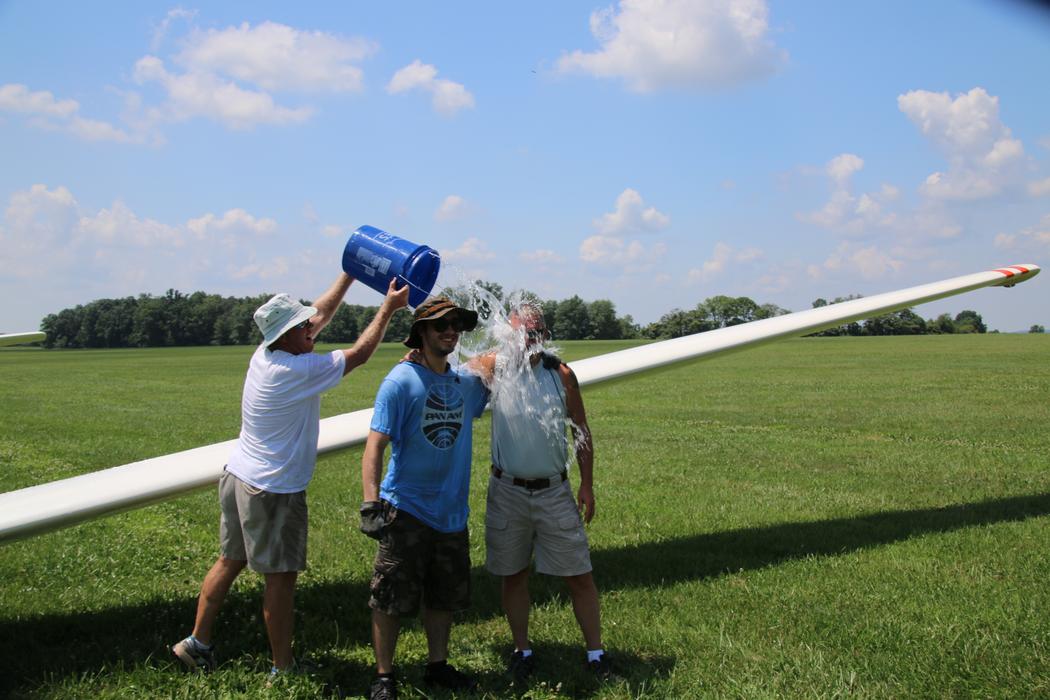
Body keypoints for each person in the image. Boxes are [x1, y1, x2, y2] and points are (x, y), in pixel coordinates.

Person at [172, 273, 409, 677]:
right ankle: (283, 669)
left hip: (238, 477)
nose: (311, 328)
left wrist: (349, 275)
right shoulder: (294, 370)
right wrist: (388, 308)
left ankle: (197, 643)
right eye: (302, 327)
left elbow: (319, 315)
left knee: (229, 561)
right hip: (272, 490)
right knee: (280, 581)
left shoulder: (266, 353)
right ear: (285, 336)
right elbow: (359, 355)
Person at [359, 297, 489, 700]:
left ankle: (437, 666)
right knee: (390, 598)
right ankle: (384, 676)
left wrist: (523, 339)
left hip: (451, 513)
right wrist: (371, 503)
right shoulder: (400, 381)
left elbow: (497, 362)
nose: (451, 331)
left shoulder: (465, 384)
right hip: (407, 510)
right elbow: (375, 445)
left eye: (456, 325)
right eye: (441, 325)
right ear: (421, 333)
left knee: (443, 596)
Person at [484, 303, 612, 682]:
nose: (530, 339)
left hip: (554, 491)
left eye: (537, 331)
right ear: (508, 334)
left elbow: (581, 430)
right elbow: (450, 374)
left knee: (580, 574)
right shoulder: (495, 368)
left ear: (546, 334)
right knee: (513, 574)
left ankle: (596, 655)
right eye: (522, 332)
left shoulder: (561, 374)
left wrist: (586, 484)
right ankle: (522, 650)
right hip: (507, 490)